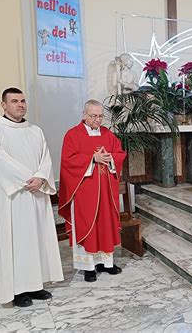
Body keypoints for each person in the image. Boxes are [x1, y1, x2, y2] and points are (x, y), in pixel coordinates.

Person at [0, 87, 63, 307]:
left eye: (23, 100)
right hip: (14, 197)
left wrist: (40, 177)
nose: (20, 104)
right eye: (14, 101)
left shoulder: (35, 130)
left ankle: (36, 285)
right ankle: (17, 291)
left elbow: (45, 157)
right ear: (4, 105)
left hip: (36, 194)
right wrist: (30, 179)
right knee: (17, 241)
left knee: (36, 239)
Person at [58, 100, 126, 282]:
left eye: (100, 116)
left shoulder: (107, 134)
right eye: (93, 116)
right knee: (87, 225)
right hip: (84, 193)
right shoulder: (73, 135)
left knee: (105, 225)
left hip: (105, 192)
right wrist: (92, 159)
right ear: (84, 115)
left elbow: (120, 153)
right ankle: (88, 266)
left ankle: (106, 263)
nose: (98, 120)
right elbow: (67, 161)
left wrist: (110, 157)